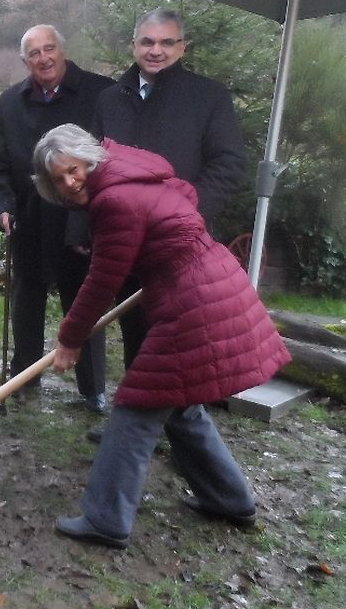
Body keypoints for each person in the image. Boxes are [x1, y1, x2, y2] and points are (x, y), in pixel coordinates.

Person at [32, 124, 290, 548]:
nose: (69, 183)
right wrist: (162, 253)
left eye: (73, 170)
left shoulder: (113, 199)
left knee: (136, 407)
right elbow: (186, 197)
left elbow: (102, 280)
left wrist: (70, 338)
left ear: (88, 159)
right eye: (58, 179)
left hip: (194, 301)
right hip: (209, 283)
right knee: (178, 404)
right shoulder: (130, 168)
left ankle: (106, 519)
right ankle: (229, 498)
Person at [90, 8, 247, 438]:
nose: (155, 51)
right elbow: (94, 167)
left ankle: (178, 431)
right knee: (134, 333)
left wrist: (189, 210)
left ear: (182, 48)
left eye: (166, 43)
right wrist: (88, 229)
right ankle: (137, 427)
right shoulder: (111, 100)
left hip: (182, 244)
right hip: (128, 241)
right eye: (147, 42)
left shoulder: (207, 97)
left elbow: (228, 163)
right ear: (133, 46)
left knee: (178, 341)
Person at [0, 24, 114, 412]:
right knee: (26, 302)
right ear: (24, 61)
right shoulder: (10, 102)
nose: (43, 59)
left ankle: (92, 388)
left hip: (80, 220)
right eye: (34, 53)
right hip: (29, 219)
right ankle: (24, 376)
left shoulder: (99, 93)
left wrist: (88, 219)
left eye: (49, 49)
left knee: (84, 304)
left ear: (62, 50)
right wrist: (2, 205)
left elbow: (108, 160)